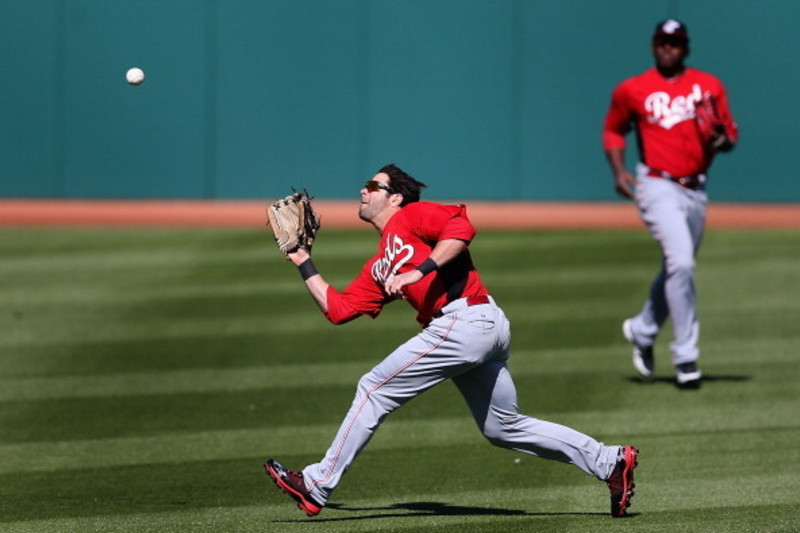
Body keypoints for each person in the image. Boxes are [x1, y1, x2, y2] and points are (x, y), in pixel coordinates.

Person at [263, 163, 639, 518]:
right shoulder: (380, 263)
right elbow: (339, 309)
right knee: (502, 427)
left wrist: (419, 272)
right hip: (477, 328)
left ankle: (317, 483)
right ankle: (609, 461)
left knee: (374, 388)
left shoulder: (412, 216)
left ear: (395, 197)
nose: (364, 190)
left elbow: (461, 228)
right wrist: (302, 260)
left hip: (467, 321)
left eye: (374, 185)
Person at [602, 20, 738, 388]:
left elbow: (729, 137)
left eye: (675, 43)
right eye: (662, 42)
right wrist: (618, 170)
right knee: (682, 262)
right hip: (656, 183)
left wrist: (720, 139)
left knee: (676, 269)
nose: (668, 48)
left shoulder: (709, 86)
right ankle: (686, 358)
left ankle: (643, 330)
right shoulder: (633, 89)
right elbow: (614, 128)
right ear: (653, 46)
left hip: (696, 189)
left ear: (685, 48)